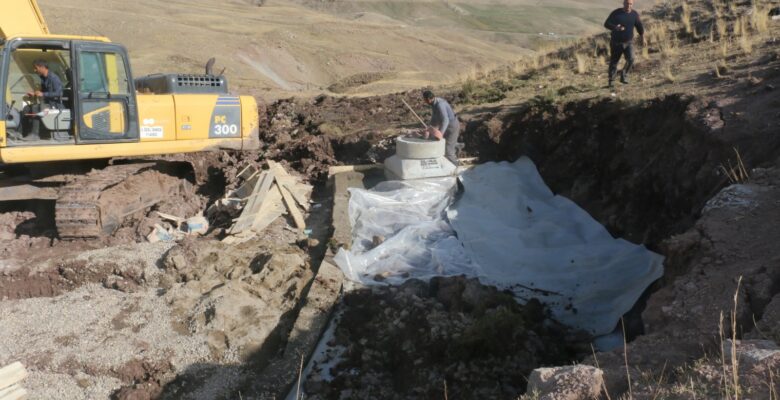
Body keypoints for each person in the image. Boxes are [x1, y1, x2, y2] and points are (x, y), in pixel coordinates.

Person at [604, 0, 645, 88]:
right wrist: (615, 27)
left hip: (628, 42)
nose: (628, 5)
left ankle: (624, 75)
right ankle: (611, 81)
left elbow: (639, 26)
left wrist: (642, 38)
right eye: (627, 3)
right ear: (623, 3)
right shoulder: (616, 13)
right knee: (614, 62)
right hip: (616, 42)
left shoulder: (634, 14)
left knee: (631, 59)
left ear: (632, 4)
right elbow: (606, 24)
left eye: (630, 4)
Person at [21, 59, 63, 140]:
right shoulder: (43, 78)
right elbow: (43, 91)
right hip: (47, 103)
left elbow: (59, 93)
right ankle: (25, 132)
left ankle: (35, 134)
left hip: (55, 104)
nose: (35, 70)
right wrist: (34, 93)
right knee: (26, 108)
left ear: (42, 67)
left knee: (36, 107)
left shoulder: (54, 78)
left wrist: (43, 94)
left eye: (36, 68)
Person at [422, 90, 461, 166]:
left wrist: (440, 134)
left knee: (448, 151)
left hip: (452, 127)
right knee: (445, 144)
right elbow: (434, 119)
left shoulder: (440, 105)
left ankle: (455, 167)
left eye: (425, 100)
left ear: (429, 99)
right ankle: (456, 146)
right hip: (446, 127)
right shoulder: (434, 104)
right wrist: (429, 129)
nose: (425, 101)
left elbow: (445, 120)